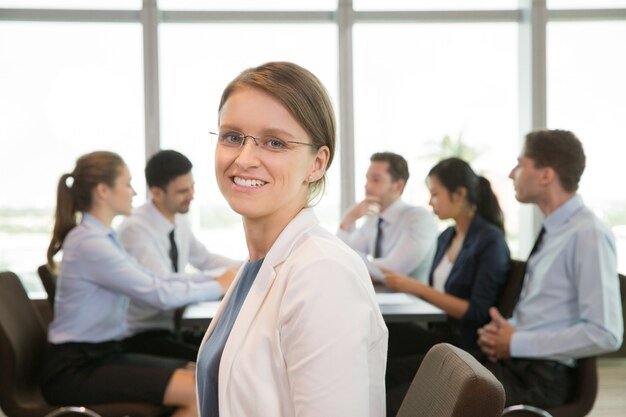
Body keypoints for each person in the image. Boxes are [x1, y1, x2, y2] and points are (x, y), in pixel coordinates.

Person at [196, 62, 388, 417]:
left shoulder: (322, 273)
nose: (245, 158)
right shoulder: (259, 264)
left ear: (317, 163)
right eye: (233, 137)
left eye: (274, 142)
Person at [40, 151, 228, 417]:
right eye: (127, 184)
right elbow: (158, 293)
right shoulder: (90, 243)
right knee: (200, 390)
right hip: (75, 367)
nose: (134, 193)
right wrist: (219, 284)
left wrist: (220, 279)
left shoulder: (103, 238)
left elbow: (156, 280)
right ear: (104, 191)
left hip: (101, 355)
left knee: (200, 374)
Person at [477, 129, 623, 408]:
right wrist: (504, 334)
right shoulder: (554, 230)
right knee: (411, 376)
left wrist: (516, 342)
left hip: (541, 380)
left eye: (520, 164)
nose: (511, 174)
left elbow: (606, 333)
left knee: (420, 395)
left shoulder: (587, 233)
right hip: (518, 366)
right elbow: (546, 313)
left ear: (546, 175)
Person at [383, 157, 511, 416]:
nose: (430, 202)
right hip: (441, 334)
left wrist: (417, 288)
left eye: (435, 194)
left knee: (389, 369)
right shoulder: (447, 237)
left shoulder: (489, 241)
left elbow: (477, 312)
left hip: (464, 345)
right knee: (385, 337)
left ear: (460, 194)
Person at [118, 149, 240, 361]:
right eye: (183, 191)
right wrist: (219, 282)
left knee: (232, 349)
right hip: (139, 337)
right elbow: (164, 285)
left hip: (169, 329)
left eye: (192, 187)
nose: (191, 195)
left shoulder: (179, 220)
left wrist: (246, 267)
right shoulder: (135, 230)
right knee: (216, 364)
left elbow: (204, 259)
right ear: (156, 193)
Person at [337, 152, 438, 282]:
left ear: (398, 186)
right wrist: (348, 218)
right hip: (379, 297)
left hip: (412, 301)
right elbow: (341, 256)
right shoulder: (373, 219)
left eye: (376, 180)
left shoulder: (419, 219)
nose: (367, 186)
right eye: (367, 179)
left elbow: (392, 270)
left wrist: (348, 259)